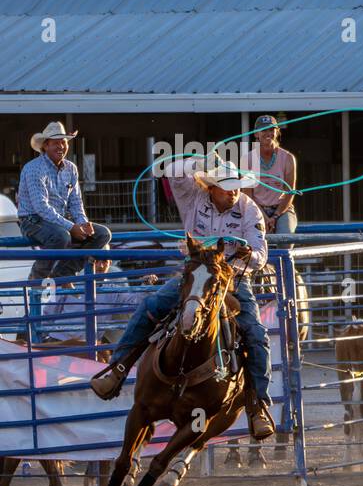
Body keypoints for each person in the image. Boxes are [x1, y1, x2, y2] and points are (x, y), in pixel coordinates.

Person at [90, 158, 276, 439]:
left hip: (233, 279)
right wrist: (202, 160)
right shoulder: (193, 197)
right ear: (211, 187)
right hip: (196, 274)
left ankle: (258, 404)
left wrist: (245, 252)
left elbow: (261, 255)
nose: (233, 192)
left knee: (256, 333)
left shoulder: (250, 211)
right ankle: (118, 368)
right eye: (225, 186)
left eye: (236, 186)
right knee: (150, 307)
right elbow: (173, 170)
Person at [18, 121, 112, 326]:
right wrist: (72, 227)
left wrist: (83, 224)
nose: (61, 146)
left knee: (103, 234)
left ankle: (63, 272)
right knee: (61, 236)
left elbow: (76, 202)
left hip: (58, 222)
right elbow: (40, 207)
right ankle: (38, 279)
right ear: (45, 146)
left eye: (63, 142)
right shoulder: (34, 169)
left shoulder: (71, 168)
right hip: (32, 220)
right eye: (55, 143)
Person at [241, 115, 299, 233]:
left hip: (282, 209)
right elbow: (248, 196)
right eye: (264, 130)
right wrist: (264, 217)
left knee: (285, 238)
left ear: (277, 132)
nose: (268, 133)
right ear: (256, 134)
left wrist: (275, 216)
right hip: (256, 208)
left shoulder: (288, 158)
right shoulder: (247, 159)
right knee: (253, 237)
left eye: (271, 129)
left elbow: (290, 193)